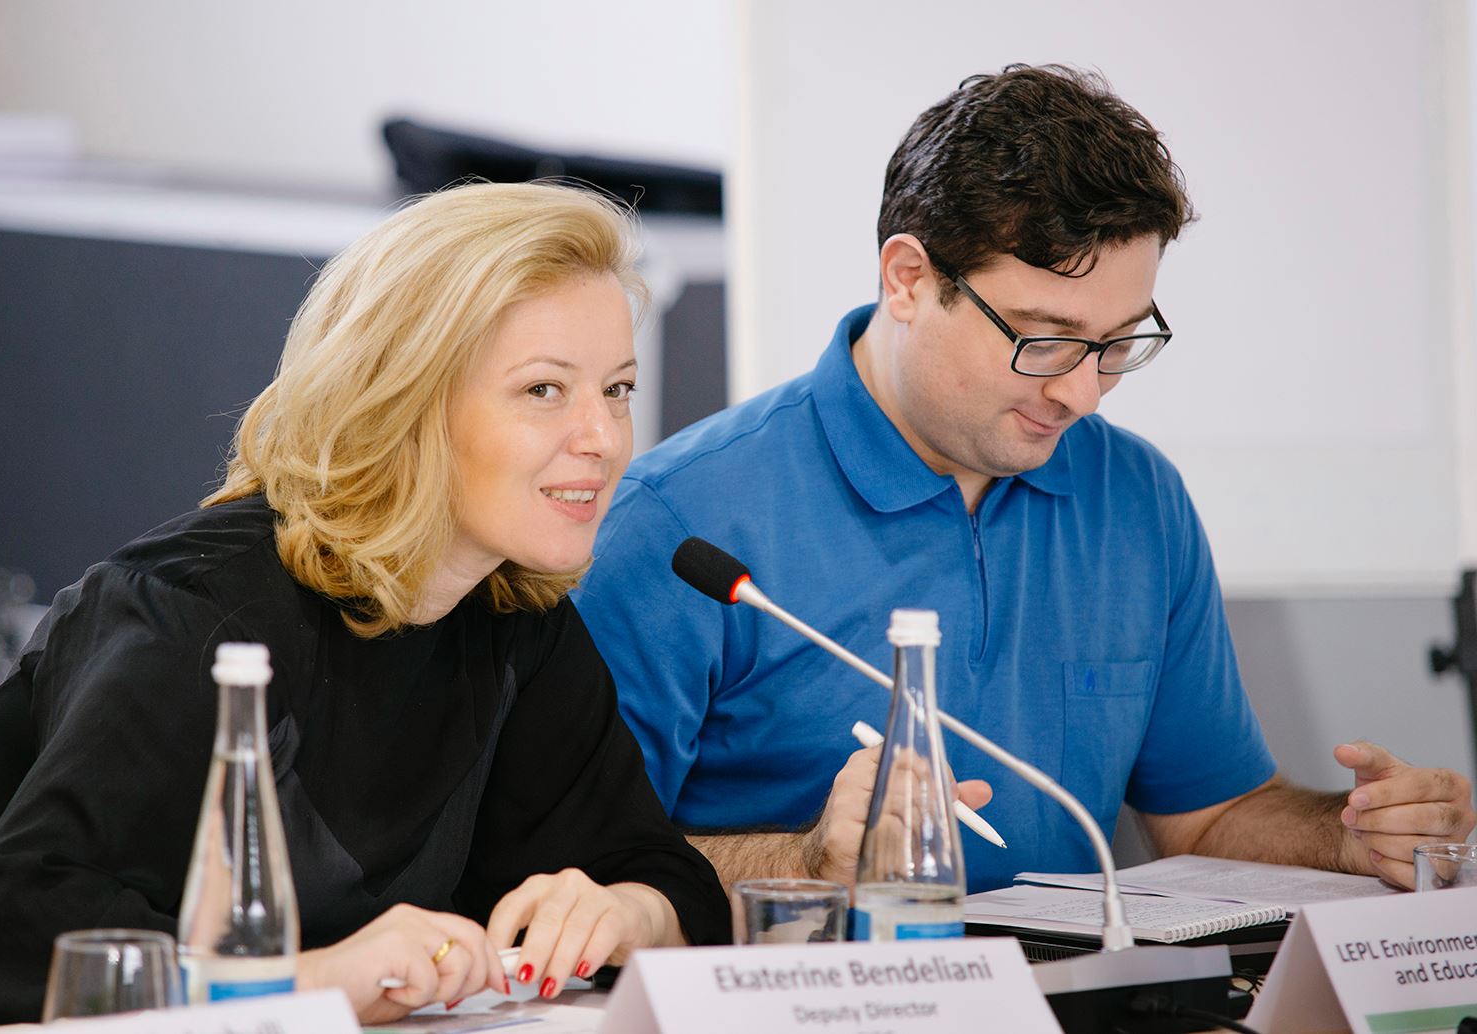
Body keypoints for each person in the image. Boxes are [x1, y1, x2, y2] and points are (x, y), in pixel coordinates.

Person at [573, 65, 1476, 897]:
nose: (1083, 394)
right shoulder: (678, 524)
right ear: (908, 280)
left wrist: (1353, 836)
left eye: (1118, 343)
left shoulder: (1138, 498)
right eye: (1044, 340)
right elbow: (577, 865)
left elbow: (1208, 816)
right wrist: (806, 862)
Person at [0, 181, 728, 1033]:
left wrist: (630, 913)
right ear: (405, 400)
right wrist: (312, 981)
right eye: (544, 390)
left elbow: (657, 871)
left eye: (617, 390)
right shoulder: (191, 610)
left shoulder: (513, 613)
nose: (604, 438)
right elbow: (28, 939)